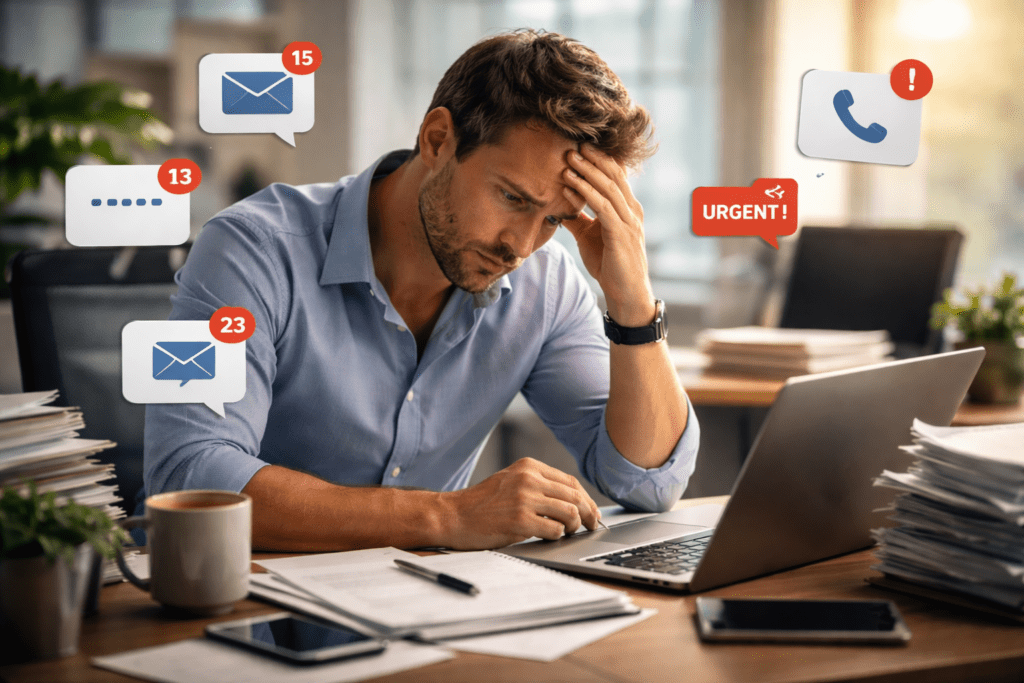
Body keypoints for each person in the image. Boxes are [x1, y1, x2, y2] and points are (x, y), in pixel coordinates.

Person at [144, 29, 699, 552]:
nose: (522, 246)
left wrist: (632, 306)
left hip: (421, 625)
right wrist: (445, 517)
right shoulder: (250, 249)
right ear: (437, 140)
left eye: (555, 219)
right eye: (513, 198)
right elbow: (190, 472)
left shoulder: (545, 287)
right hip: (246, 618)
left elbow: (646, 483)